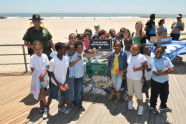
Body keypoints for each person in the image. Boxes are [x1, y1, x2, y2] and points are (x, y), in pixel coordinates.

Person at [149, 46, 174, 114]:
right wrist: (166, 69)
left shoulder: (166, 58)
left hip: (165, 82)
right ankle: (152, 107)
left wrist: (161, 72)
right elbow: (156, 74)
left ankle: (163, 106)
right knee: (154, 95)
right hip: (155, 82)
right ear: (154, 51)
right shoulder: (152, 60)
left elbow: (172, 69)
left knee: (165, 95)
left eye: (160, 52)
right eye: (157, 51)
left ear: (163, 52)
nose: (158, 53)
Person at [48, 42, 70, 114]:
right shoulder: (52, 61)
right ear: (58, 50)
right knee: (52, 95)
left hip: (64, 82)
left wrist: (66, 81)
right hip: (55, 83)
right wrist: (57, 83)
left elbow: (67, 70)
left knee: (65, 96)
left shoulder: (66, 58)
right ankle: (46, 107)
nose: (65, 51)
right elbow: (50, 72)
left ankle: (61, 107)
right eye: (64, 49)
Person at [29, 40, 49, 119]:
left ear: (42, 49)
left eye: (39, 49)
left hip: (45, 78)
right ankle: (45, 108)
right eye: (36, 49)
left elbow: (47, 66)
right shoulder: (32, 57)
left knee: (43, 93)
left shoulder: (45, 56)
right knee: (41, 92)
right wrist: (38, 76)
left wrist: (43, 74)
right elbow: (32, 68)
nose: (38, 51)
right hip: (37, 79)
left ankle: (42, 105)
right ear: (33, 49)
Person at [127, 44, 148, 115]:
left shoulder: (141, 57)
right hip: (129, 77)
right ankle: (130, 103)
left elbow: (146, 67)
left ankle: (141, 107)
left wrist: (137, 69)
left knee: (138, 94)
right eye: (132, 48)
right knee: (130, 92)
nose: (133, 50)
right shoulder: (129, 55)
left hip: (137, 79)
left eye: (135, 49)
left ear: (138, 50)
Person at [69, 41, 85, 111]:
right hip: (76, 77)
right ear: (75, 48)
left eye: (81, 47)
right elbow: (70, 64)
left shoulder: (80, 54)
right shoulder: (75, 55)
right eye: (78, 48)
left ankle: (77, 103)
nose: (80, 49)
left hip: (80, 76)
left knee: (79, 91)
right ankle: (78, 105)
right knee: (78, 92)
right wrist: (77, 59)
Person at [66, 43, 76, 110]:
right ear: (67, 50)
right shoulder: (65, 56)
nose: (72, 51)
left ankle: (70, 102)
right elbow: (70, 64)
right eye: (70, 49)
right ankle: (63, 103)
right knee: (64, 91)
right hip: (65, 77)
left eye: (73, 49)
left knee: (71, 90)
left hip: (72, 76)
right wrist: (77, 59)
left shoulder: (74, 55)